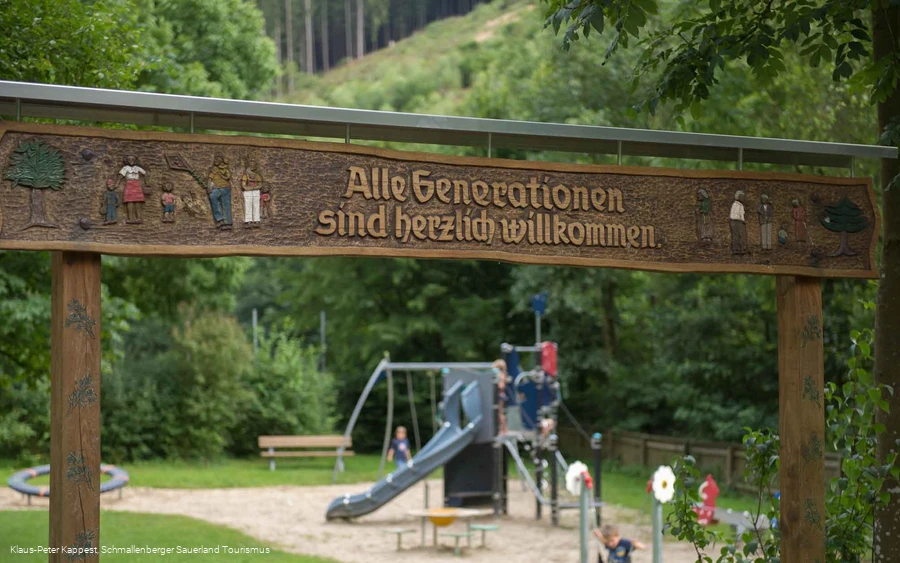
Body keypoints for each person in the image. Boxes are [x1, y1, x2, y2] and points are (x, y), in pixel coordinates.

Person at [117, 155, 149, 224]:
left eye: (133, 159)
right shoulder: (125, 168)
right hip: (129, 184)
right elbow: (121, 176)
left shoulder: (137, 168)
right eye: (129, 159)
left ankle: (139, 218)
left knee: (138, 201)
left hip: (136, 184)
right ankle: (130, 218)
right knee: (129, 201)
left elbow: (145, 174)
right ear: (127, 160)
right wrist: (117, 183)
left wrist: (147, 183)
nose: (131, 160)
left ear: (135, 160)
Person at [208, 153, 234, 230]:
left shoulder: (225, 169)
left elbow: (228, 177)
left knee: (226, 204)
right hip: (216, 188)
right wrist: (209, 187)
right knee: (212, 197)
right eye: (216, 159)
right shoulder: (213, 169)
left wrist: (221, 173)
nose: (216, 160)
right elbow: (210, 179)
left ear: (222, 160)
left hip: (225, 188)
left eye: (218, 159)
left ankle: (228, 222)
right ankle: (219, 219)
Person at [240, 160, 263, 227]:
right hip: (248, 191)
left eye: (253, 164)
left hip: (255, 191)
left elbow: (260, 184)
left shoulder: (257, 175)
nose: (252, 166)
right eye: (251, 164)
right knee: (248, 204)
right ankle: (248, 220)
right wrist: (248, 188)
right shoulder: (246, 175)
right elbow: (243, 185)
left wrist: (254, 188)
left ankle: (256, 220)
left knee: (256, 205)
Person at [493, 359, 509, 434]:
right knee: (500, 413)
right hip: (500, 395)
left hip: (499, 395)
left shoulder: (500, 375)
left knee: (500, 413)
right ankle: (503, 429)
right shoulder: (503, 374)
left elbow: (501, 386)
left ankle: (504, 430)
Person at [730, 190, 748, 255]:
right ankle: (736, 249)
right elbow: (734, 215)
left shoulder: (741, 205)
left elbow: (742, 214)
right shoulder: (735, 205)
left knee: (741, 235)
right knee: (736, 235)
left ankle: (742, 249)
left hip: (739, 222)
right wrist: (742, 220)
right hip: (736, 222)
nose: (743, 198)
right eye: (742, 196)